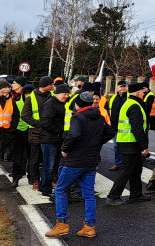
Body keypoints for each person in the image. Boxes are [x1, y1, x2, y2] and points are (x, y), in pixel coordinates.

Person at [45, 91, 114, 238]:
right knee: (88, 194)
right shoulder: (100, 117)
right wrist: (95, 144)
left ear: (78, 104)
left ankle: (62, 224)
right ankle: (89, 226)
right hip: (91, 161)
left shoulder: (78, 117)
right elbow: (109, 133)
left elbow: (74, 134)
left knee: (61, 189)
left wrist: (65, 149)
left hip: (75, 161)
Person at [105, 83, 151, 204]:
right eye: (142, 92)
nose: (143, 94)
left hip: (128, 141)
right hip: (130, 142)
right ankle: (113, 196)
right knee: (127, 170)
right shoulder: (134, 106)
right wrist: (144, 147)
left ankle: (136, 194)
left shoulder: (130, 103)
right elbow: (137, 128)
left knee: (136, 169)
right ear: (137, 93)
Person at [38, 83, 70, 199]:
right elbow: (45, 122)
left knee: (56, 165)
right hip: (49, 139)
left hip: (58, 139)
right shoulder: (50, 104)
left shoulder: (65, 103)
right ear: (57, 94)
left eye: (67, 94)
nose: (66, 96)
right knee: (49, 166)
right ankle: (45, 189)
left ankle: (49, 186)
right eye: (64, 94)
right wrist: (60, 131)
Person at [23, 77, 54, 190]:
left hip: (50, 133)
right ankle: (35, 179)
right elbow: (25, 115)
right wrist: (38, 124)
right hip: (36, 133)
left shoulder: (52, 95)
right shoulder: (31, 97)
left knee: (49, 158)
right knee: (35, 158)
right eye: (51, 84)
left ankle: (49, 180)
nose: (53, 86)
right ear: (44, 85)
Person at [106, 80, 130, 171]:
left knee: (126, 146)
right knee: (116, 146)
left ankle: (126, 164)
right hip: (115, 127)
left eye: (125, 86)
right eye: (121, 86)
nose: (123, 88)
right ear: (117, 88)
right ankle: (118, 163)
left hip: (126, 127)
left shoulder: (129, 97)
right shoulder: (113, 99)